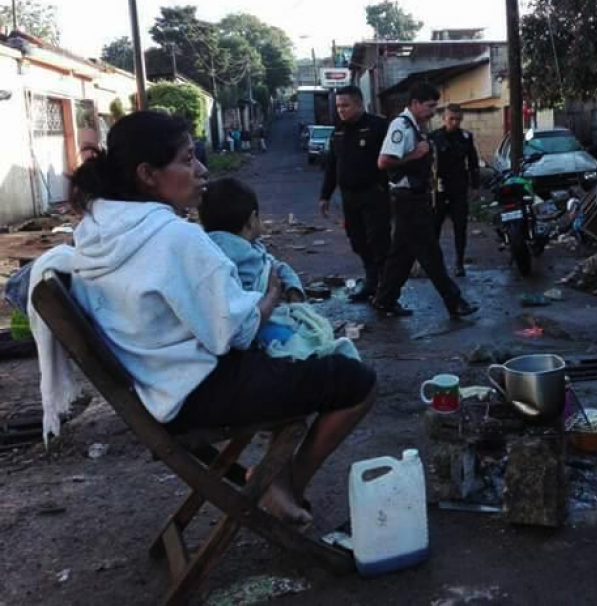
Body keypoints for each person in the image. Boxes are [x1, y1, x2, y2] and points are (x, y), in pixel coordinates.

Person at [61, 111, 376, 524]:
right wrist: (271, 295)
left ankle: (274, 480)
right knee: (356, 379)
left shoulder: (98, 231)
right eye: (187, 159)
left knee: (299, 363)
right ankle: (283, 484)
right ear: (148, 174)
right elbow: (237, 332)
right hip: (199, 390)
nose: (201, 170)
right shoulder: (175, 237)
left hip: (158, 388)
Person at [199, 177, 359, 362]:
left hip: (244, 328)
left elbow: (275, 266)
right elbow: (249, 308)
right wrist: (282, 292)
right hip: (260, 328)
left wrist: (291, 286)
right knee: (306, 342)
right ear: (251, 220)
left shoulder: (208, 248)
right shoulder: (240, 256)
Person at [372, 83, 478, 319]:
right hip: (407, 200)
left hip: (414, 198)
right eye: (429, 106)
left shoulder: (415, 127)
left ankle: (385, 300)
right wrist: (415, 154)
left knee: (402, 254)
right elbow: (383, 162)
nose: (432, 112)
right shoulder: (401, 126)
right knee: (430, 253)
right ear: (415, 104)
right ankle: (454, 301)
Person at [319, 86, 391, 303]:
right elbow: (332, 165)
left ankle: (387, 289)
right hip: (349, 198)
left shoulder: (378, 126)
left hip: (374, 194)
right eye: (338, 106)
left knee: (378, 241)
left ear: (359, 104)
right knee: (358, 240)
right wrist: (325, 195)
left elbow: (392, 159)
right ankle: (371, 283)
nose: (341, 110)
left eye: (345, 105)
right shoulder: (339, 130)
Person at [430, 104, 480, 277]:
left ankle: (459, 262)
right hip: (439, 189)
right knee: (435, 227)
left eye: (458, 119)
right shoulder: (434, 137)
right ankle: (435, 264)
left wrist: (475, 187)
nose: (454, 122)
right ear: (444, 119)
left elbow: (473, 162)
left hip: (458, 188)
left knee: (460, 227)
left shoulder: (466, 137)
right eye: (451, 119)